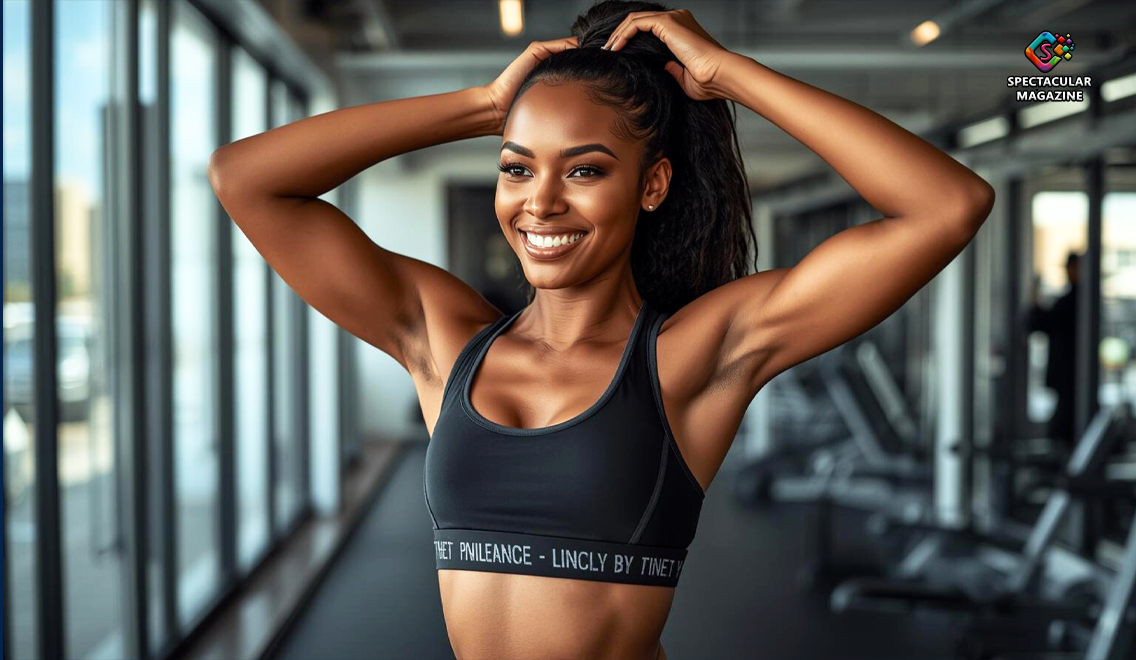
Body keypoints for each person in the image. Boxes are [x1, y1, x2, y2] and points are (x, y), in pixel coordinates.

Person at [207, 2, 994, 658]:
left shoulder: (692, 355)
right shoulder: (444, 340)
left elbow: (945, 207)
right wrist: (484, 106)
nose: (540, 202)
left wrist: (727, 77)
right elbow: (247, 180)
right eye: (517, 167)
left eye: (583, 170)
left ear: (651, 184)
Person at [1025, 252, 1082, 452]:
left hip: (1069, 375)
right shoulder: (1079, 301)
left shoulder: (1073, 301)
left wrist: (1034, 297)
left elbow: (1037, 322)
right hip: (1071, 376)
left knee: (1062, 430)